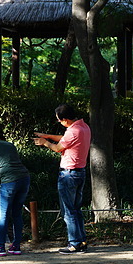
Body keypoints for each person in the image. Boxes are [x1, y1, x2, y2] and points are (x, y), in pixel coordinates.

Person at [33, 103, 91, 254]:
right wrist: (48, 136)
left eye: (59, 120)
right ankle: (82, 241)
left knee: (68, 210)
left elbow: (58, 147)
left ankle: (74, 243)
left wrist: (45, 142)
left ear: (65, 120)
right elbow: (65, 139)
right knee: (76, 209)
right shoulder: (83, 127)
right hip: (80, 173)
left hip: (68, 174)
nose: (59, 122)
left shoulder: (73, 132)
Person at [0, 124, 31, 257]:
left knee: (3, 214)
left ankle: (0, 246)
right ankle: (16, 245)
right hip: (24, 178)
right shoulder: (10, 145)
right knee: (17, 213)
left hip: (9, 181)